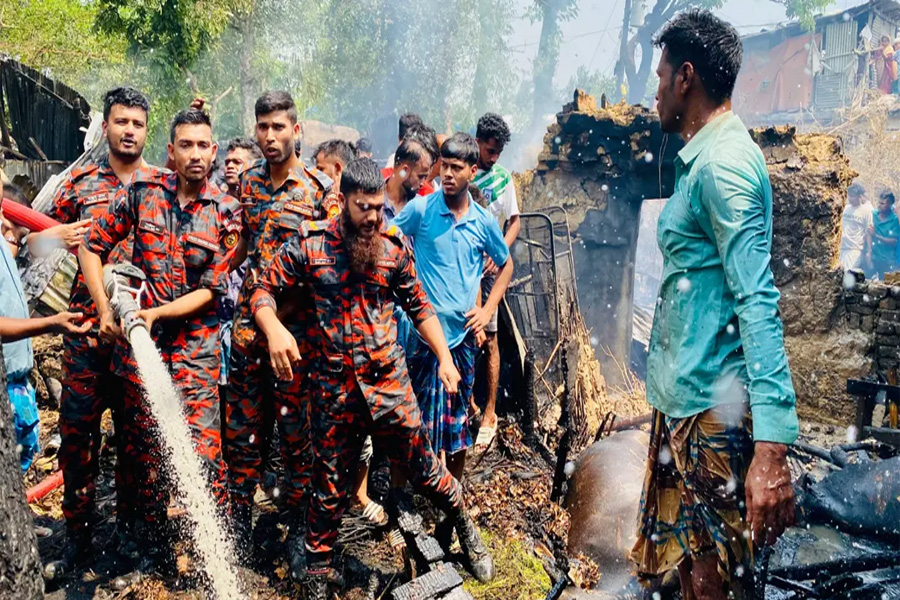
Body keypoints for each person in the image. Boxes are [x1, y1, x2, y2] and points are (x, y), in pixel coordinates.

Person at [250, 158, 494, 598]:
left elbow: (419, 306)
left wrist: (444, 357)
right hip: (334, 393)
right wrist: (274, 329)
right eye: (363, 207)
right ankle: (317, 581)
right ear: (343, 201)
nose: (372, 218)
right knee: (328, 490)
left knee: (425, 471)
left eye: (378, 208)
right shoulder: (309, 245)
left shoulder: (392, 247)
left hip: (389, 387)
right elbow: (262, 290)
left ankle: (463, 522)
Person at [631, 11, 798, 600]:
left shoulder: (724, 167)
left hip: (713, 413)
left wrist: (771, 448)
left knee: (716, 583)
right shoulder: (700, 162)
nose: (655, 92)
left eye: (660, 77)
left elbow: (757, 299)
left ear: (686, 78)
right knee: (687, 565)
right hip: (683, 403)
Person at [78, 108, 238, 573]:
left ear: (213, 151)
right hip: (140, 347)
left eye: (203, 145)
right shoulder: (143, 192)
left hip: (194, 351)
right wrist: (105, 309)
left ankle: (212, 551)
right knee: (141, 453)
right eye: (185, 145)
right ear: (170, 151)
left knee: (204, 454)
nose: (195, 154)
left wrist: (155, 314)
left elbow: (211, 289)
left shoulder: (226, 212)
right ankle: (153, 551)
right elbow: (91, 246)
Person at [46, 86, 157, 576]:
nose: (129, 131)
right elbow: (30, 240)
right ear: (106, 126)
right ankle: (78, 540)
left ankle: (130, 538)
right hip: (86, 333)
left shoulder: (161, 186)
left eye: (137, 123)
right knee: (77, 438)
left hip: (139, 336)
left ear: (147, 130)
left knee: (138, 443)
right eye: (121, 122)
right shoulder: (78, 183)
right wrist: (52, 235)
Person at [225, 90, 332, 579]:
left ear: (296, 129)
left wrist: (280, 316)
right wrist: (220, 268)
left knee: (297, 441)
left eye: (278, 127)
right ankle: (238, 534)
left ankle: (297, 535)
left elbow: (325, 268)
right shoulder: (247, 183)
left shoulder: (318, 191)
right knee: (242, 438)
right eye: (263, 127)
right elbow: (246, 242)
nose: (270, 136)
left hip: (295, 340)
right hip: (249, 336)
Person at [394, 133, 513, 482]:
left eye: (456, 168)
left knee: (457, 425)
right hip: (421, 338)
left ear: (472, 172)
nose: (447, 174)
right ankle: (403, 496)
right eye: (444, 166)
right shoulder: (421, 210)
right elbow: (388, 240)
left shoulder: (482, 221)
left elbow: (505, 265)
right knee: (410, 421)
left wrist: (487, 310)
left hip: (461, 339)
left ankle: (452, 498)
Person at [0, 178, 91, 478]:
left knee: (21, 455)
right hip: (6, 382)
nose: (18, 248)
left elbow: (36, 245)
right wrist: (51, 323)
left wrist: (56, 237)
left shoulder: (8, 257)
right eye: (17, 239)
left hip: (18, 379)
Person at [472, 113, 520, 446]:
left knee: (490, 337)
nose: (494, 157)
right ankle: (466, 406)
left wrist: (499, 250)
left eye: (499, 152)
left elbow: (515, 222)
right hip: (461, 266)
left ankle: (490, 413)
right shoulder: (462, 171)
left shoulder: (504, 179)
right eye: (490, 150)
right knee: (461, 335)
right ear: (477, 142)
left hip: (490, 271)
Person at [383, 136, 438, 222]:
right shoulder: (372, 199)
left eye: (425, 177)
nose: (422, 183)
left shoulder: (421, 209)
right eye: (420, 177)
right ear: (404, 170)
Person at [840, 182, 873, 272]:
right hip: (841, 248)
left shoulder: (866, 211)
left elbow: (868, 233)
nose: (850, 198)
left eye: (852, 196)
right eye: (849, 196)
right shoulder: (845, 208)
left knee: (847, 273)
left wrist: (869, 251)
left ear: (860, 196)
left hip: (854, 249)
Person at [869, 190, 899, 279]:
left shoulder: (894, 219)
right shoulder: (873, 214)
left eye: (883, 204)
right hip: (873, 257)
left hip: (887, 260)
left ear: (890, 205)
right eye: (879, 202)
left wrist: (876, 236)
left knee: (885, 284)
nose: (879, 205)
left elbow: (894, 241)